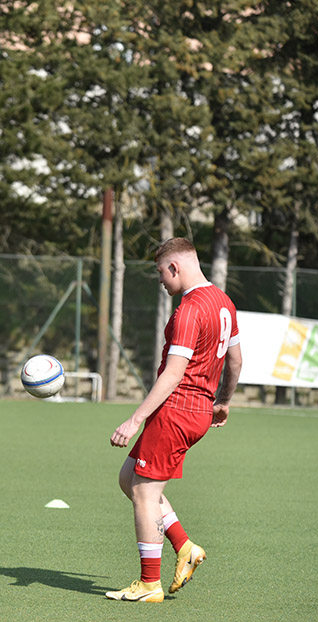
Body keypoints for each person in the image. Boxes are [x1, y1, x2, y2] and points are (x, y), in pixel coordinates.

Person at [106, 237, 242, 602]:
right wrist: (223, 401)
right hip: (197, 411)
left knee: (144, 492)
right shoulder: (223, 302)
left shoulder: (190, 309)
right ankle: (185, 547)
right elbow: (235, 361)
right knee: (128, 478)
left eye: (160, 273)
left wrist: (135, 419)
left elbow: (173, 373)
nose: (160, 281)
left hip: (176, 410)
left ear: (174, 267)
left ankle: (149, 584)